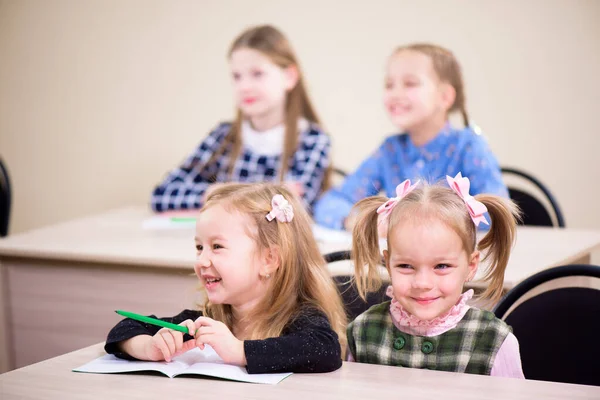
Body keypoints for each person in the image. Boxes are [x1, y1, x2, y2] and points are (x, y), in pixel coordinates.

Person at [106, 183, 347, 374]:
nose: (201, 261)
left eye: (217, 246)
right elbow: (124, 329)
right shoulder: (209, 320)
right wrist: (149, 347)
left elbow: (325, 350)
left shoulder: (302, 318)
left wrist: (239, 351)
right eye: (199, 247)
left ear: (269, 260)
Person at [346, 173, 524, 378]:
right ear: (387, 263)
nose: (422, 283)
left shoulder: (495, 341)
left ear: (471, 265)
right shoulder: (362, 332)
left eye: (441, 266)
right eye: (405, 266)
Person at [314, 43, 507, 230]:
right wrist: (357, 221)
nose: (396, 93)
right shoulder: (390, 151)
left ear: (445, 97)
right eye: (389, 85)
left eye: (410, 84)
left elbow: (499, 212)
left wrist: (431, 221)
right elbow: (331, 202)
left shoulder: (469, 147)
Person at [151, 25, 331, 212]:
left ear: (289, 76)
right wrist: (218, 191)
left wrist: (221, 195)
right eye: (237, 77)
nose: (244, 86)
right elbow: (162, 194)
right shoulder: (223, 137)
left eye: (257, 74)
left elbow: (295, 207)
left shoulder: (312, 140)